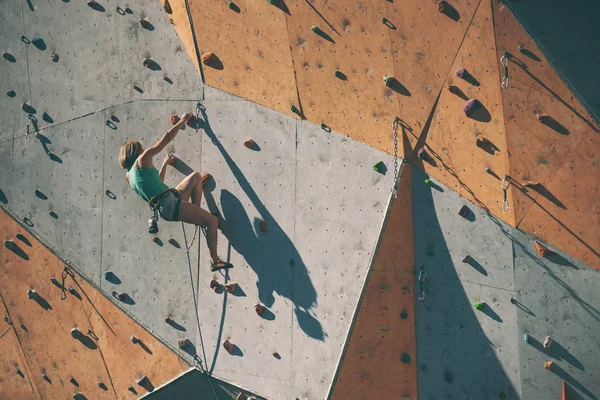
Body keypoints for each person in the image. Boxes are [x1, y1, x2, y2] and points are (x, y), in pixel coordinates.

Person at [119, 111, 233, 271]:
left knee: (196, 178)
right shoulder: (142, 159)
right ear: (136, 151)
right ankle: (214, 260)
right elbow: (166, 138)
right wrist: (182, 121)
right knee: (212, 221)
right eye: (141, 147)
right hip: (171, 205)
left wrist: (165, 163)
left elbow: (157, 184)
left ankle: (198, 215)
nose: (144, 148)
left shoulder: (129, 177)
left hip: (170, 199)